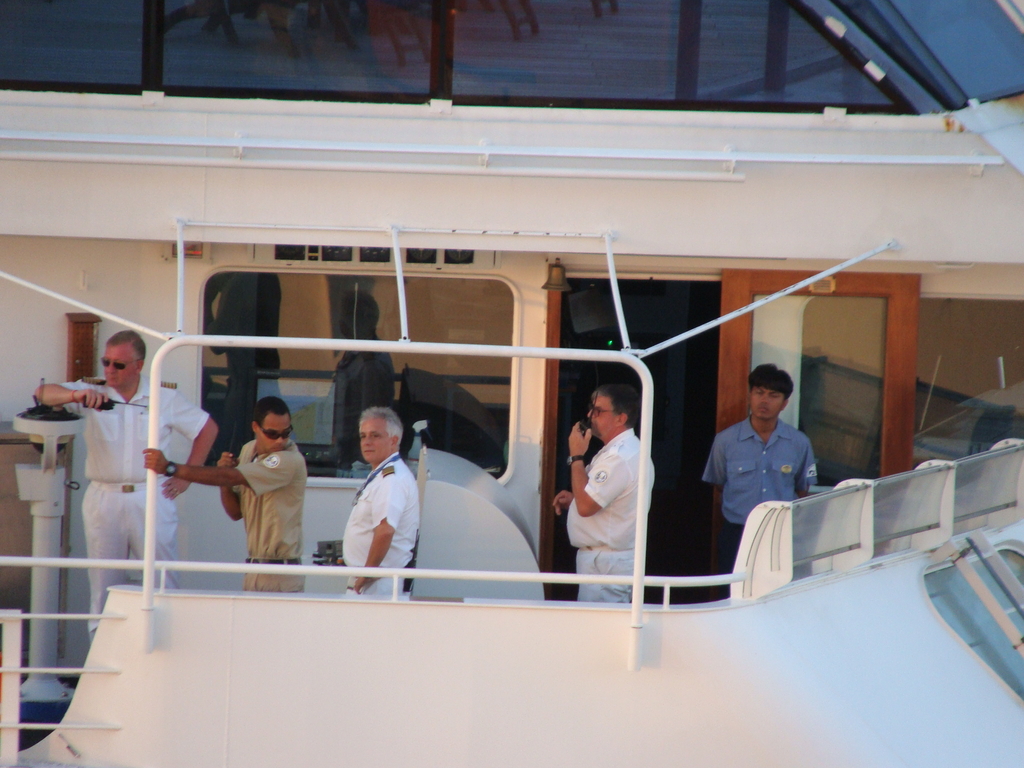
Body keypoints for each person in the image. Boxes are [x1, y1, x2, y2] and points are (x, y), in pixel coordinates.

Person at [34, 330, 218, 627]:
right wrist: (74, 395)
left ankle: (165, 659)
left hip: (151, 495)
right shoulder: (90, 392)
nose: (109, 370)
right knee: (104, 588)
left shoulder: (164, 397)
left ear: (139, 365)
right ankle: (103, 665)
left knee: (162, 582)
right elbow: (42, 393)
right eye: (106, 362)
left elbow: (206, 429)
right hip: (104, 498)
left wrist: (185, 476)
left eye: (118, 364)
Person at [143, 396, 307, 592]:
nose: (281, 440)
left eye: (286, 433)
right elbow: (235, 512)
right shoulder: (248, 451)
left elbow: (231, 477)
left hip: (282, 573)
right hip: (255, 568)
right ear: (255, 427)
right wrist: (225, 484)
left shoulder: (289, 460)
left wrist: (171, 468)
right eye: (273, 433)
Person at [702, 363, 817, 573]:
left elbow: (802, 489)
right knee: (732, 593)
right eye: (759, 393)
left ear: (784, 403)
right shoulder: (726, 441)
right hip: (737, 534)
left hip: (780, 533)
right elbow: (719, 484)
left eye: (773, 395)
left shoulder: (799, 443)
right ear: (749, 396)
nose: (764, 400)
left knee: (776, 594)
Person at [553, 384, 653, 603]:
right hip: (603, 563)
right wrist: (574, 499)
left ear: (620, 418)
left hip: (606, 565)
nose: (589, 415)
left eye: (598, 411)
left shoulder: (619, 457)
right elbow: (599, 500)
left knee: (597, 632)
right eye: (591, 408)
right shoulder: (620, 452)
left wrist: (576, 456)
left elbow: (587, 506)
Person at [341, 406, 419, 596]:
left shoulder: (391, 479)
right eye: (363, 436)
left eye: (375, 436)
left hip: (376, 583)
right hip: (371, 578)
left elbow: (385, 530)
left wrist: (366, 575)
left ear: (394, 440)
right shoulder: (382, 474)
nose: (367, 442)